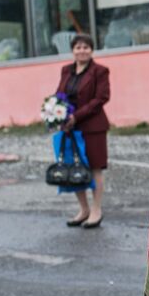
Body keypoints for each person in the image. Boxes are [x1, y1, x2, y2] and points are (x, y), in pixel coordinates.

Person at [56, 34, 110, 228]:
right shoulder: (66, 71)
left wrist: (76, 116)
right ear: (73, 50)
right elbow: (59, 95)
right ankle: (84, 209)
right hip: (70, 129)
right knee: (75, 169)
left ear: (92, 50)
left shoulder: (100, 71)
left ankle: (96, 210)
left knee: (95, 169)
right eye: (78, 47)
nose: (82, 50)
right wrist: (56, 113)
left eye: (86, 47)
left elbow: (101, 98)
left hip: (93, 127)